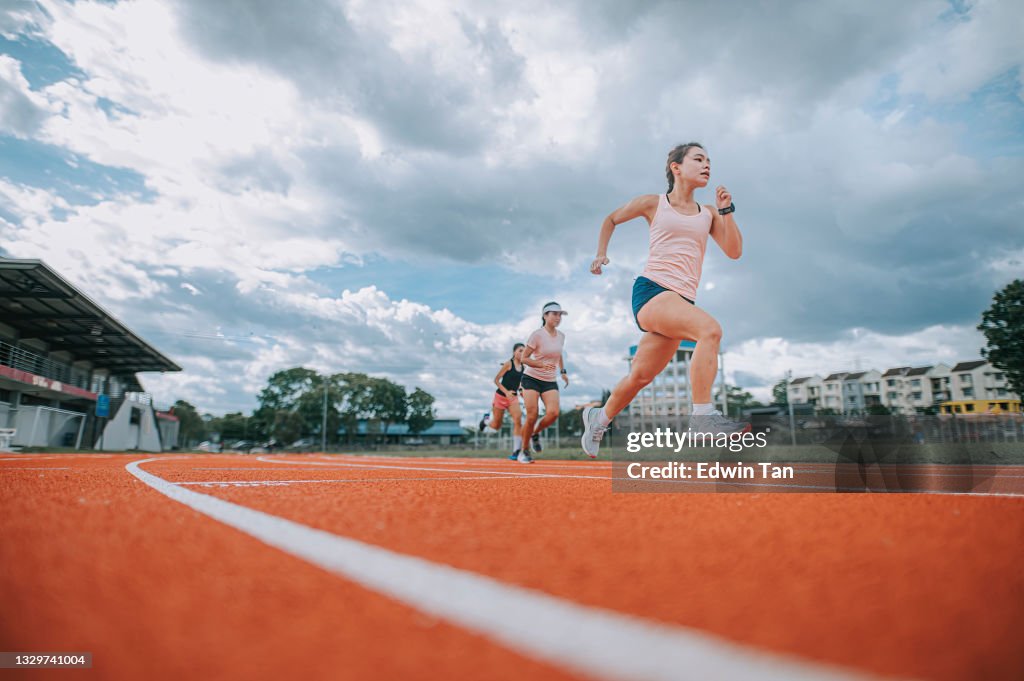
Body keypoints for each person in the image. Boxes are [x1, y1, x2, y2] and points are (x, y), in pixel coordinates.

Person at [580, 142, 750, 458]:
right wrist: (601, 253)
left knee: (640, 376)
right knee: (710, 331)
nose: (707, 165)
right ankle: (702, 417)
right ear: (676, 167)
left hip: (680, 301)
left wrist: (726, 211)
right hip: (653, 291)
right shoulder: (653, 203)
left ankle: (598, 418)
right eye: (698, 159)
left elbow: (734, 251)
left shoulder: (709, 214)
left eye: (709, 160)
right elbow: (611, 219)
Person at [518, 302, 570, 463]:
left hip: (549, 380)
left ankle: (535, 433)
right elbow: (523, 358)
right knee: (532, 415)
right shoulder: (537, 335)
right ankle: (524, 451)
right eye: (554, 314)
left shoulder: (561, 336)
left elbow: (558, 354)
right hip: (531, 378)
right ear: (545, 316)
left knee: (553, 413)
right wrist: (539, 364)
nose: (558, 317)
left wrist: (562, 372)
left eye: (560, 314)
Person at [478, 343, 527, 460]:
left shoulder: (523, 367)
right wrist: (506, 392)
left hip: (513, 398)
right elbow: (496, 380)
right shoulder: (508, 364)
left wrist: (521, 390)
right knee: (496, 426)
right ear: (514, 352)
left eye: (524, 351)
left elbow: (519, 382)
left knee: (518, 420)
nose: (522, 353)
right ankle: (486, 421)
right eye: (520, 350)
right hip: (500, 397)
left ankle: (516, 451)